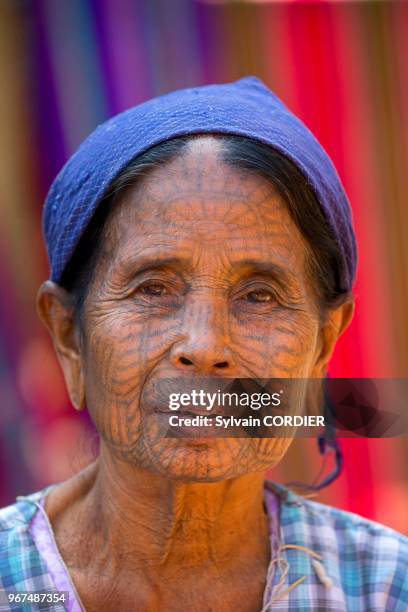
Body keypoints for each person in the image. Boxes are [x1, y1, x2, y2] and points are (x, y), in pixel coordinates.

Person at [0, 77, 407, 611]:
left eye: (259, 296)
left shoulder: (384, 588)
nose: (205, 344)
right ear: (70, 337)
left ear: (323, 343)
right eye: (153, 288)